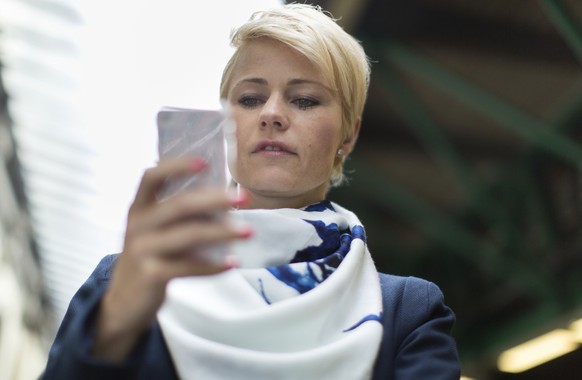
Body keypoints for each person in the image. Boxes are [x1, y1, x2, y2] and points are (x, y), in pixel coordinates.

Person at [42, 4, 460, 379]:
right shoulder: (124, 279)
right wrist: (112, 327)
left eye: (305, 100)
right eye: (250, 98)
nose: (272, 114)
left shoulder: (408, 311)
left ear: (348, 137)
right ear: (224, 123)